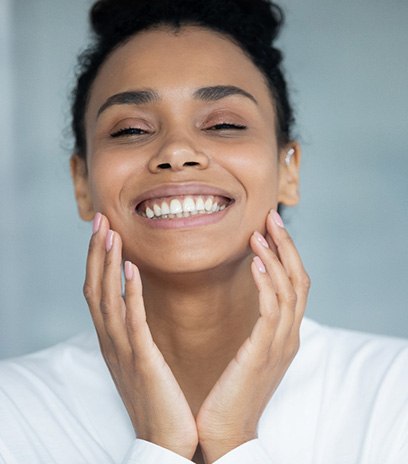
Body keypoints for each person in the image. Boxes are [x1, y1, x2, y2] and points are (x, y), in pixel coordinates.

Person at [0, 1, 406, 463]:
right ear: (82, 183)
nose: (177, 150)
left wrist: (232, 438)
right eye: (131, 129)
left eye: (225, 124)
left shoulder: (395, 394)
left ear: (288, 170)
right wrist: (160, 443)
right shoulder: (10, 411)